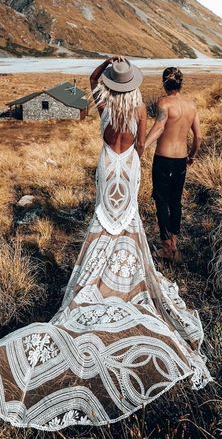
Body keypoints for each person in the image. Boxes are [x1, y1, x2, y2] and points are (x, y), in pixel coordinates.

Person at [0, 58, 211, 432]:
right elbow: (142, 147)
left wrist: (103, 66)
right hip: (128, 166)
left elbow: (92, 79)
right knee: (127, 220)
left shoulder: (104, 104)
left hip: (106, 164)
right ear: (132, 85)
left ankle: (96, 275)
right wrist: (136, 156)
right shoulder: (135, 108)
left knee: (103, 218)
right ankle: (123, 276)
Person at [145, 67, 202, 260]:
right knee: (175, 200)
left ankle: (166, 248)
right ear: (181, 83)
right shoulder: (191, 105)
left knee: (161, 201)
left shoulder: (164, 102)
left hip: (163, 159)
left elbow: (159, 127)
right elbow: (199, 137)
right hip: (180, 161)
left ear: (164, 83)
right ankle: (174, 243)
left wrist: (142, 145)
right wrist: (192, 156)